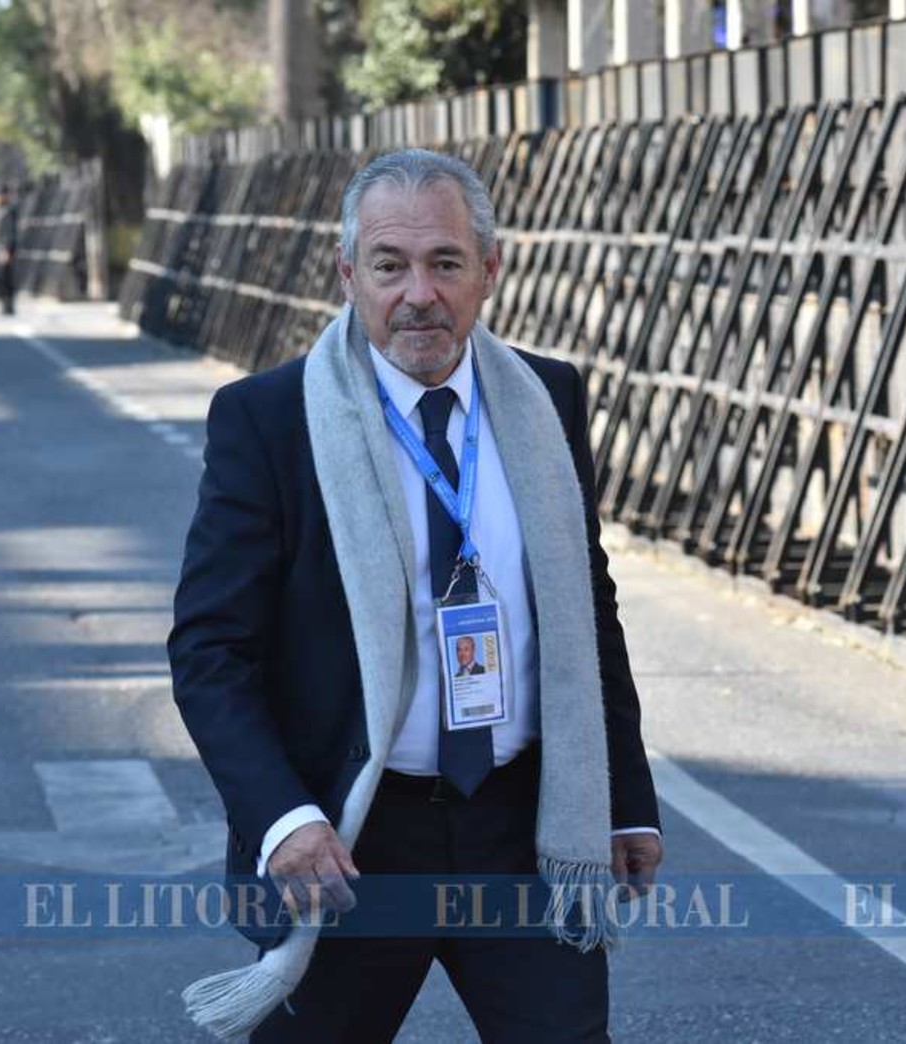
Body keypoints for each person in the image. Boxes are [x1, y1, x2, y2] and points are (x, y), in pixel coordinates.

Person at [168, 148, 663, 1042]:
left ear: (490, 271)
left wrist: (622, 799)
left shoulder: (548, 398)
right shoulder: (269, 420)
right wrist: (284, 820)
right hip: (349, 839)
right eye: (390, 267)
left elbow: (587, 611)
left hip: (523, 830)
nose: (419, 294)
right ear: (349, 273)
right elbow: (211, 653)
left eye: (445, 263)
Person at [0, 184, 18, 315]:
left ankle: (8, 304)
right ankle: (3, 302)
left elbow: (10, 232)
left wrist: (6, 250)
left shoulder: (9, 211)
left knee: (5, 276)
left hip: (4, 249)